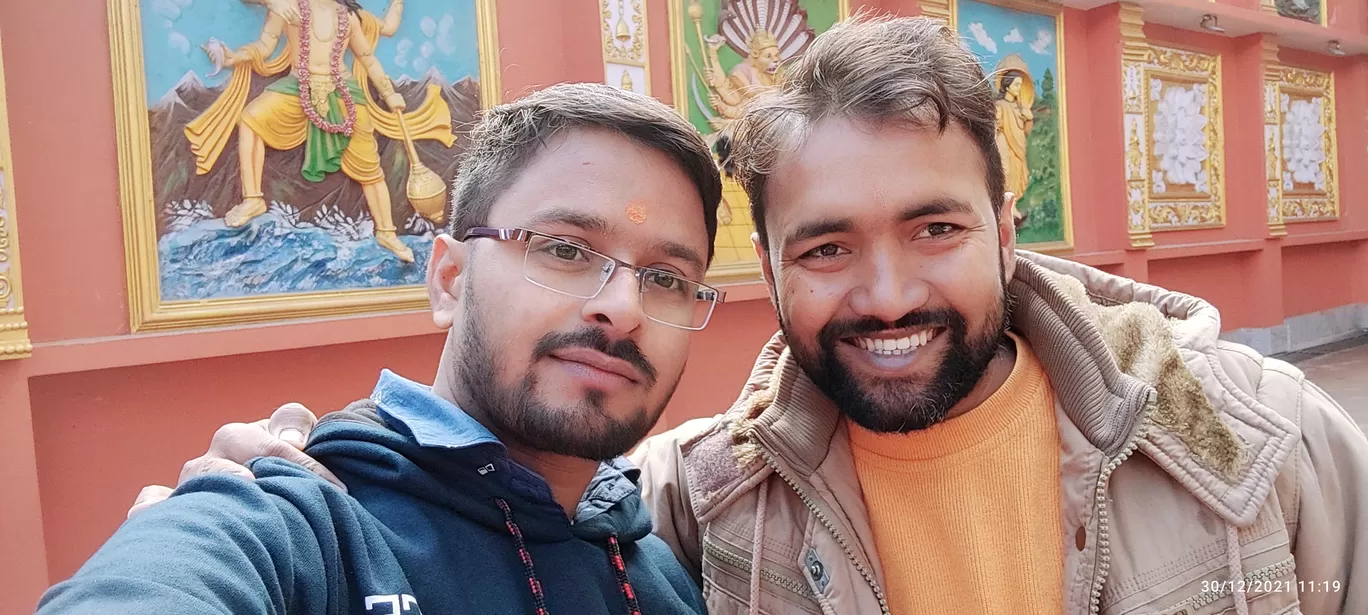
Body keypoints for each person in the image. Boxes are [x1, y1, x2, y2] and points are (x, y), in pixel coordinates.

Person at [128, 15, 1368, 615]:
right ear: (770, 272)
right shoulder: (691, 505)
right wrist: (269, 480)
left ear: (1006, 221)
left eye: (935, 228)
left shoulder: (1267, 449)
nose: (885, 296)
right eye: (826, 248)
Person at [39, 83, 726, 615]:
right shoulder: (300, 522)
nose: (625, 307)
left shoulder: (657, 572)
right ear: (450, 279)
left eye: (667, 278)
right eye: (565, 249)